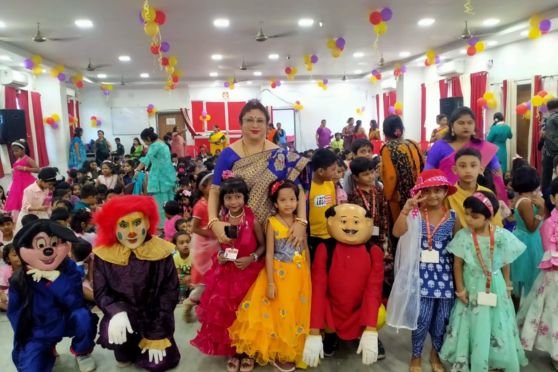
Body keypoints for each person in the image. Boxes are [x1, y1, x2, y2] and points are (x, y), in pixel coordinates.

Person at [439, 191, 528, 371]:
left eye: (475, 216)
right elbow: (457, 264)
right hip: (471, 284)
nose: (469, 219)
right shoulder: (464, 236)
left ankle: (495, 358)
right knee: (471, 321)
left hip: (496, 285)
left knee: (497, 321)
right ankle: (473, 356)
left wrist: (508, 283)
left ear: (488, 217)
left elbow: (505, 261)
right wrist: (461, 289)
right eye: (466, 214)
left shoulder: (501, 236)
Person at [229, 180, 311, 371]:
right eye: (283, 200)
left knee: (294, 311)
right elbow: (269, 253)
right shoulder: (272, 223)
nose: (289, 204)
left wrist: (308, 270)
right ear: (275, 203)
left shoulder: (300, 223)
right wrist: (271, 283)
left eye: (292, 199)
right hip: (278, 274)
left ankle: (292, 348)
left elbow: (305, 247)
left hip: (299, 275)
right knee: (279, 313)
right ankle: (277, 351)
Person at [93, 196, 180, 370]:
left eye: (137, 223)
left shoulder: (160, 251)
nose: (131, 232)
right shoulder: (104, 255)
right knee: (122, 351)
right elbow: (101, 292)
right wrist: (116, 312)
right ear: (113, 226)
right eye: (123, 225)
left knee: (158, 364)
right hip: (125, 318)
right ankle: (125, 347)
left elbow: (169, 292)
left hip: (156, 318)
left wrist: (158, 332)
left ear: (148, 223)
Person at [209, 99, 309, 250]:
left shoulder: (280, 154)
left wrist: (301, 222)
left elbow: (298, 190)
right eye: (249, 120)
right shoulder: (228, 154)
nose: (255, 125)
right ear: (240, 123)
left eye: (260, 120)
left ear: (267, 125)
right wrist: (213, 221)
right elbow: (215, 190)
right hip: (238, 229)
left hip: (274, 229)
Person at [191, 177, 265, 372]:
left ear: (245, 198)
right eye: (229, 198)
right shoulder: (221, 222)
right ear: (223, 201)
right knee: (229, 314)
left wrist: (252, 258)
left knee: (247, 312)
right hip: (226, 273)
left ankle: (247, 350)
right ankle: (234, 350)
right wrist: (221, 256)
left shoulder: (253, 220)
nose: (233, 202)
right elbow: (221, 246)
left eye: (238, 197)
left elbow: (263, 245)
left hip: (249, 272)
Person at [389, 169, 458, 372]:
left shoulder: (453, 217)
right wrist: (405, 210)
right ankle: (416, 356)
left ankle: (435, 353)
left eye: (438, 190)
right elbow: (397, 232)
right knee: (421, 319)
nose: (433, 195)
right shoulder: (415, 214)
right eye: (428, 191)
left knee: (442, 320)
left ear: (446, 191)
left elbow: (458, 251)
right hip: (421, 276)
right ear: (420, 193)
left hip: (446, 278)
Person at [9, 220, 98, 371]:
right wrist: (25, 341)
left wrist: (56, 278)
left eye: (55, 243)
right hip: (39, 330)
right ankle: (47, 351)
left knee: (83, 317)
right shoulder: (19, 279)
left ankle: (82, 352)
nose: (48, 251)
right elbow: (16, 314)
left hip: (66, 320)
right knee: (30, 367)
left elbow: (76, 302)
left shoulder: (69, 267)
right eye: (41, 245)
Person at [303, 204, 385, 368]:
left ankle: (364, 335)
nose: (349, 227)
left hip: (359, 309)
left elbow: (373, 290)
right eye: (344, 221)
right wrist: (314, 331)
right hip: (332, 309)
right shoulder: (325, 248)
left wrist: (370, 329)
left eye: (356, 222)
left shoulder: (374, 251)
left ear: (368, 223)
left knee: (380, 315)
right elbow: (319, 289)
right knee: (318, 308)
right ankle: (330, 335)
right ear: (331, 222)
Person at [517, 177, 558, 370]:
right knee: (551, 313)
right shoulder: (549, 222)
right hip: (553, 273)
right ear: (553, 197)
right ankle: (554, 351)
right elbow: (548, 245)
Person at [426, 107, 508, 202]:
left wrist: (500, 196)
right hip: (447, 199)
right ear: (452, 125)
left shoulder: (483, 146)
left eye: (470, 122)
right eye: (461, 123)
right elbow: (428, 174)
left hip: (478, 201)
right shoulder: (439, 146)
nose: (466, 126)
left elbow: (496, 172)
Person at [380, 115, 424, 223]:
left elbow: (390, 177)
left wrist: (387, 196)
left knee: (402, 229)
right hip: (419, 193)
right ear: (401, 129)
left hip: (399, 197)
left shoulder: (387, 148)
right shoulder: (413, 143)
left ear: (385, 132)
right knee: (418, 224)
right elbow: (423, 165)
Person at [510, 166, 545, 299]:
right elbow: (531, 227)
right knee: (529, 276)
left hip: (526, 238)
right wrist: (541, 211)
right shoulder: (525, 202)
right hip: (528, 241)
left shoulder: (524, 198)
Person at [447, 148, 504, 229]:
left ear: (481, 169)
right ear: (455, 170)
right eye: (463, 166)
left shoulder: (488, 193)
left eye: (473, 165)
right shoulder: (449, 194)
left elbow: (497, 225)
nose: (468, 170)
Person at [135, 127, 176, 228]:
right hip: (168, 175)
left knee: (160, 203)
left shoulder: (154, 145)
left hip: (159, 177)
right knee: (170, 200)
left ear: (148, 138)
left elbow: (146, 159)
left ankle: (162, 226)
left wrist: (137, 169)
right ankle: (172, 224)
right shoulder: (163, 143)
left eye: (144, 141)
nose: (145, 143)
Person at [348, 156, 389, 251]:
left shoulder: (378, 191)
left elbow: (383, 211)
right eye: (366, 174)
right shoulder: (353, 196)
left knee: (378, 254)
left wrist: (384, 230)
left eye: (372, 172)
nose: (371, 176)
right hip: (361, 234)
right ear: (355, 177)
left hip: (378, 232)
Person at [307, 149, 338, 260]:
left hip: (330, 234)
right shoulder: (308, 188)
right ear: (320, 171)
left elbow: (333, 206)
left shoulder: (330, 184)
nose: (336, 172)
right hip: (313, 237)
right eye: (333, 169)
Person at [4, 140, 38, 219]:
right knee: (17, 202)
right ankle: (20, 217)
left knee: (25, 199)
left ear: (23, 149)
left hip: (26, 182)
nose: (15, 153)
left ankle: (28, 215)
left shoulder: (28, 159)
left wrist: (24, 168)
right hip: (17, 183)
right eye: (13, 151)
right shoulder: (18, 159)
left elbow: (37, 169)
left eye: (17, 150)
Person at [542, 99, 558, 199]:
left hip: (548, 153)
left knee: (546, 178)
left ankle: (547, 200)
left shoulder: (548, 118)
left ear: (548, 108)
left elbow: (543, 136)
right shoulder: (554, 117)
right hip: (554, 153)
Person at [172, 231, 192, 305]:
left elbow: (197, 274)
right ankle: (181, 300)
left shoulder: (194, 255)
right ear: (176, 246)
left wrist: (190, 278)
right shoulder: (175, 257)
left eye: (188, 242)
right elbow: (179, 274)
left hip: (194, 281)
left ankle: (193, 299)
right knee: (179, 282)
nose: (185, 245)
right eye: (181, 243)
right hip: (183, 281)